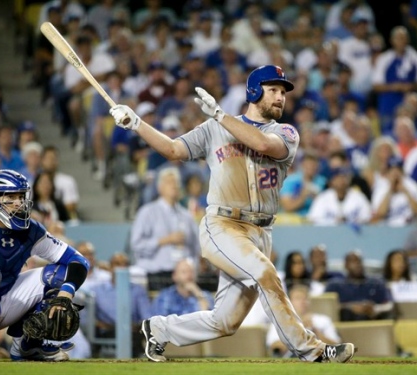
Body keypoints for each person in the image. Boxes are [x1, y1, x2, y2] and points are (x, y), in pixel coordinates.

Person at [109, 64, 355, 363]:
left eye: (283, 92)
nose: (280, 97)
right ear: (254, 91)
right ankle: (313, 351)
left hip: (261, 232)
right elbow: (174, 150)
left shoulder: (286, 132)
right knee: (266, 275)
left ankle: (159, 330)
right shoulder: (214, 128)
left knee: (225, 321)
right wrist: (136, 123)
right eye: (273, 90)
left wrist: (220, 115)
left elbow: (263, 144)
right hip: (223, 224)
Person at [0, 169, 90, 361]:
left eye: (21, 196)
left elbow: (78, 261)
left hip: (2, 304)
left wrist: (66, 293)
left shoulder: (31, 230)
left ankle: (27, 346)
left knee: (59, 276)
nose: (19, 203)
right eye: (11, 196)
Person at [129, 166, 201, 292]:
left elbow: (196, 248)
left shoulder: (186, 216)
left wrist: (193, 268)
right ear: (159, 187)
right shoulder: (147, 212)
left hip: (184, 277)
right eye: (169, 182)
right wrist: (164, 240)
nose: (174, 185)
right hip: (156, 275)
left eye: (176, 182)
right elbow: (136, 245)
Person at [267, 285, 340, 358]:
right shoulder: (280, 320)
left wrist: (315, 332)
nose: (302, 301)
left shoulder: (323, 320)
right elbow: (275, 347)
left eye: (305, 298)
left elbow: (335, 346)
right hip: (292, 360)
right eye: (298, 298)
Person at [325, 251, 394, 322]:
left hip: (373, 320)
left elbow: (389, 305)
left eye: (359, 261)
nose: (358, 264)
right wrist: (350, 307)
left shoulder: (377, 283)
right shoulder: (334, 285)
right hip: (346, 322)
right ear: (346, 265)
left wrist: (375, 308)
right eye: (353, 261)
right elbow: (325, 307)